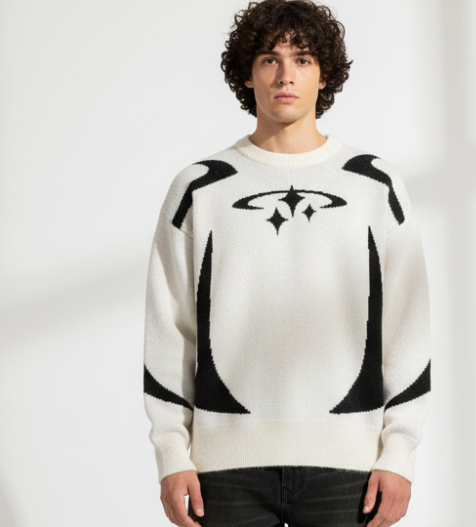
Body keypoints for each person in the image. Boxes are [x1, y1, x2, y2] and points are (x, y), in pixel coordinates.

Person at [142, 1, 432, 526]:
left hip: (350, 467)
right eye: (269, 60)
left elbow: (406, 325)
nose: (285, 76)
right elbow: (170, 327)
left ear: (324, 73)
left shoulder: (373, 184)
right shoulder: (200, 187)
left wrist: (400, 452)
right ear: (247, 74)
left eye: (302, 59)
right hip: (222, 469)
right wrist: (171, 451)